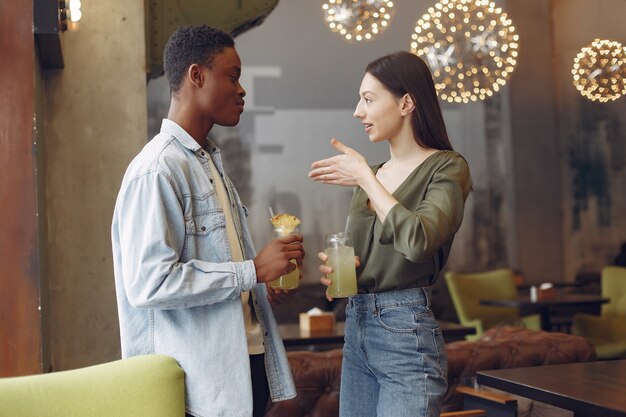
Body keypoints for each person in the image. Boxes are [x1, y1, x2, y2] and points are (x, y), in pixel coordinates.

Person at [111, 25, 304, 417]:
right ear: (197, 76)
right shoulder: (157, 169)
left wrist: (262, 287)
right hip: (197, 389)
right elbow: (151, 283)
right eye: (232, 77)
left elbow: (219, 270)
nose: (242, 89)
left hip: (241, 369)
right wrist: (251, 271)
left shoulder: (209, 163)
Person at [308, 51, 472, 417]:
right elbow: (367, 257)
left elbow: (418, 241)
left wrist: (365, 177)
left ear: (406, 102)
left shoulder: (447, 167)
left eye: (368, 99)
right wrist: (343, 271)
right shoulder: (373, 174)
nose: (357, 111)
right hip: (357, 325)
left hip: (406, 331)